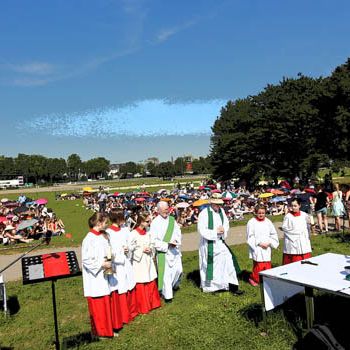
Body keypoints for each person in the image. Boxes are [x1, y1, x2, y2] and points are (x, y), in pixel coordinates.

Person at [197, 193, 243, 294]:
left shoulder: (221, 211)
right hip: (209, 243)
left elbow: (226, 224)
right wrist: (215, 232)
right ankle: (212, 288)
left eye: (219, 204)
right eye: (216, 204)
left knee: (228, 261)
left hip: (220, 242)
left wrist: (223, 230)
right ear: (211, 203)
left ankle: (232, 286)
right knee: (211, 265)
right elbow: (201, 230)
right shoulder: (204, 213)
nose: (218, 206)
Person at [81, 212, 117, 339]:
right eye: (105, 223)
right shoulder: (89, 239)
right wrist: (101, 264)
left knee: (106, 302)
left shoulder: (103, 236)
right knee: (99, 305)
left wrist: (111, 258)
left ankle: (108, 329)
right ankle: (100, 332)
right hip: (95, 278)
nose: (107, 225)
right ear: (98, 223)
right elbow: (86, 260)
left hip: (105, 274)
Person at [106, 209, 138, 330]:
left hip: (126, 262)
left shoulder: (125, 230)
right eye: (122, 217)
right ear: (117, 218)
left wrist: (128, 248)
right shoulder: (109, 233)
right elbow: (109, 250)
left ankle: (132, 311)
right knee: (121, 287)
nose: (124, 219)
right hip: (118, 265)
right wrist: (120, 252)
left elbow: (129, 243)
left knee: (129, 284)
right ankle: (124, 315)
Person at [150, 201, 183, 302]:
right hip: (163, 253)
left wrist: (176, 241)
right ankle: (168, 296)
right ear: (158, 210)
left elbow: (178, 232)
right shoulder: (155, 223)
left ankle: (173, 286)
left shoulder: (172, 220)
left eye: (167, 210)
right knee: (166, 275)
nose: (166, 212)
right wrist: (167, 245)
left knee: (179, 270)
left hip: (174, 250)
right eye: (164, 210)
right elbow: (153, 240)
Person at [129, 212, 161, 314]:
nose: (149, 223)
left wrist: (150, 249)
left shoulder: (148, 232)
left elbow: (152, 243)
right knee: (142, 281)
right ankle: (143, 306)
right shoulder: (133, 234)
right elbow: (130, 249)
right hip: (139, 261)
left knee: (150, 279)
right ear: (141, 222)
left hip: (148, 259)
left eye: (150, 221)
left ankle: (153, 303)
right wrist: (141, 250)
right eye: (147, 221)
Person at [246, 205, 279, 286]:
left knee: (267, 263)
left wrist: (270, 242)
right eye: (259, 213)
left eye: (263, 213)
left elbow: (273, 233)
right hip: (257, 246)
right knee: (258, 263)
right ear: (256, 213)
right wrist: (259, 243)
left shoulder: (268, 222)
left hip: (267, 245)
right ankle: (255, 278)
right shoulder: (251, 222)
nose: (261, 215)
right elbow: (250, 236)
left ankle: (267, 278)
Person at [282, 198, 312, 265]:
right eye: (292, 206)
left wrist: (310, 225)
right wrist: (295, 233)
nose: (293, 207)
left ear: (299, 205)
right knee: (294, 259)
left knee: (305, 258)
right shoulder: (288, 216)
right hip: (292, 241)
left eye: (295, 206)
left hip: (303, 240)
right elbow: (284, 228)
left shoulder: (304, 215)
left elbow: (308, 225)